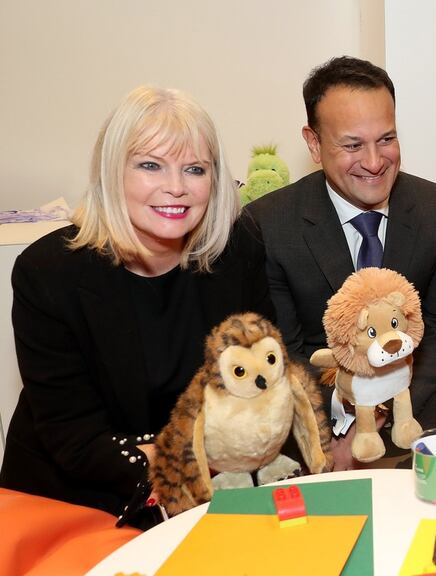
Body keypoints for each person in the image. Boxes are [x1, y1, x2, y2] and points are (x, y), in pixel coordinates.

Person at [0, 86, 274, 522]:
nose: (176, 188)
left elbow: (261, 385)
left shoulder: (238, 250)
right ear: (112, 173)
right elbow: (76, 440)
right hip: (72, 501)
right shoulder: (47, 273)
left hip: (205, 487)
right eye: (151, 165)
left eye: (195, 169)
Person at [245, 56, 436, 467]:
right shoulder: (269, 225)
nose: (374, 162)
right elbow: (283, 353)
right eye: (352, 145)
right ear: (314, 144)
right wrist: (343, 415)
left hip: (419, 400)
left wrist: (384, 406)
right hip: (318, 409)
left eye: (386, 139)